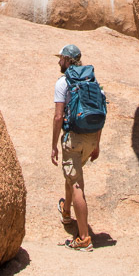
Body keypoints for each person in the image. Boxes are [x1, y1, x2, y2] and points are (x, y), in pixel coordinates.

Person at [51, 42, 102, 252]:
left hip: (73, 138)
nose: (58, 61)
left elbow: (58, 116)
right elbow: (100, 111)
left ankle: (83, 238)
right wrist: (97, 143)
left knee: (76, 184)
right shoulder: (92, 81)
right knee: (71, 176)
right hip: (90, 137)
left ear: (67, 61)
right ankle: (66, 212)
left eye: (61, 58)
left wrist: (54, 145)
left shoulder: (63, 83)